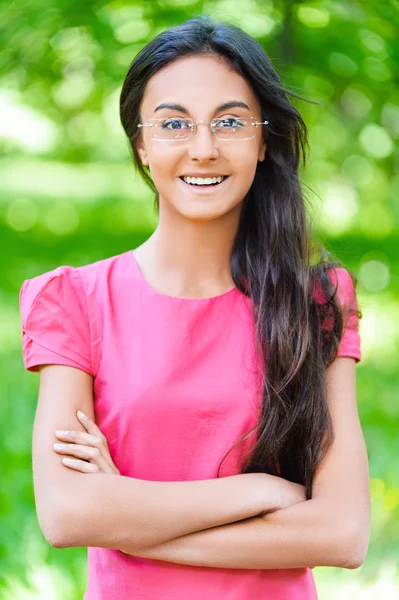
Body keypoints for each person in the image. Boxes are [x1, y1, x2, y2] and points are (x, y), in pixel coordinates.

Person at [19, 14, 370, 600]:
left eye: (229, 122)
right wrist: (256, 492)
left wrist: (128, 518)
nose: (203, 149)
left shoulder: (317, 301)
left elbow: (342, 532)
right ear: (141, 143)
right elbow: (67, 515)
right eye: (174, 123)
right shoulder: (75, 300)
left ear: (262, 142)